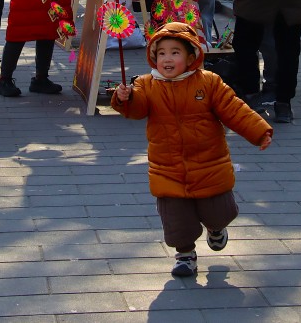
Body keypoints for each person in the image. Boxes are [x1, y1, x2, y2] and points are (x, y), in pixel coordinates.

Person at [111, 22, 272, 277]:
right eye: (161, 53)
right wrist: (125, 98)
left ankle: (217, 228)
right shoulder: (147, 84)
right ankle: (185, 255)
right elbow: (137, 108)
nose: (167, 59)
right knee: (176, 220)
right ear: (154, 57)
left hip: (209, 163)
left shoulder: (208, 83)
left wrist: (259, 131)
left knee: (220, 212)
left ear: (190, 56)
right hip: (167, 167)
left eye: (175, 52)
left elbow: (234, 109)